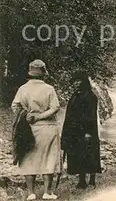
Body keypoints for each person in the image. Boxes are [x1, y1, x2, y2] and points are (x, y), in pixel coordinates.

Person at [11, 59, 61, 200]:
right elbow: (55, 107)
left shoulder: (23, 89)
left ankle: (30, 193)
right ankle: (47, 192)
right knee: (48, 158)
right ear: (44, 74)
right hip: (48, 128)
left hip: (28, 128)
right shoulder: (49, 89)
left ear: (30, 74)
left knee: (29, 158)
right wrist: (40, 116)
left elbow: (15, 106)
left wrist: (27, 115)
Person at [61, 71, 101, 189]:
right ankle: (82, 180)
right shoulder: (75, 95)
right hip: (75, 131)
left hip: (87, 131)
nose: (76, 83)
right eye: (75, 81)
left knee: (90, 154)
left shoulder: (90, 96)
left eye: (79, 81)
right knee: (79, 155)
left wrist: (88, 132)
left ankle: (92, 180)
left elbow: (91, 116)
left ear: (84, 82)